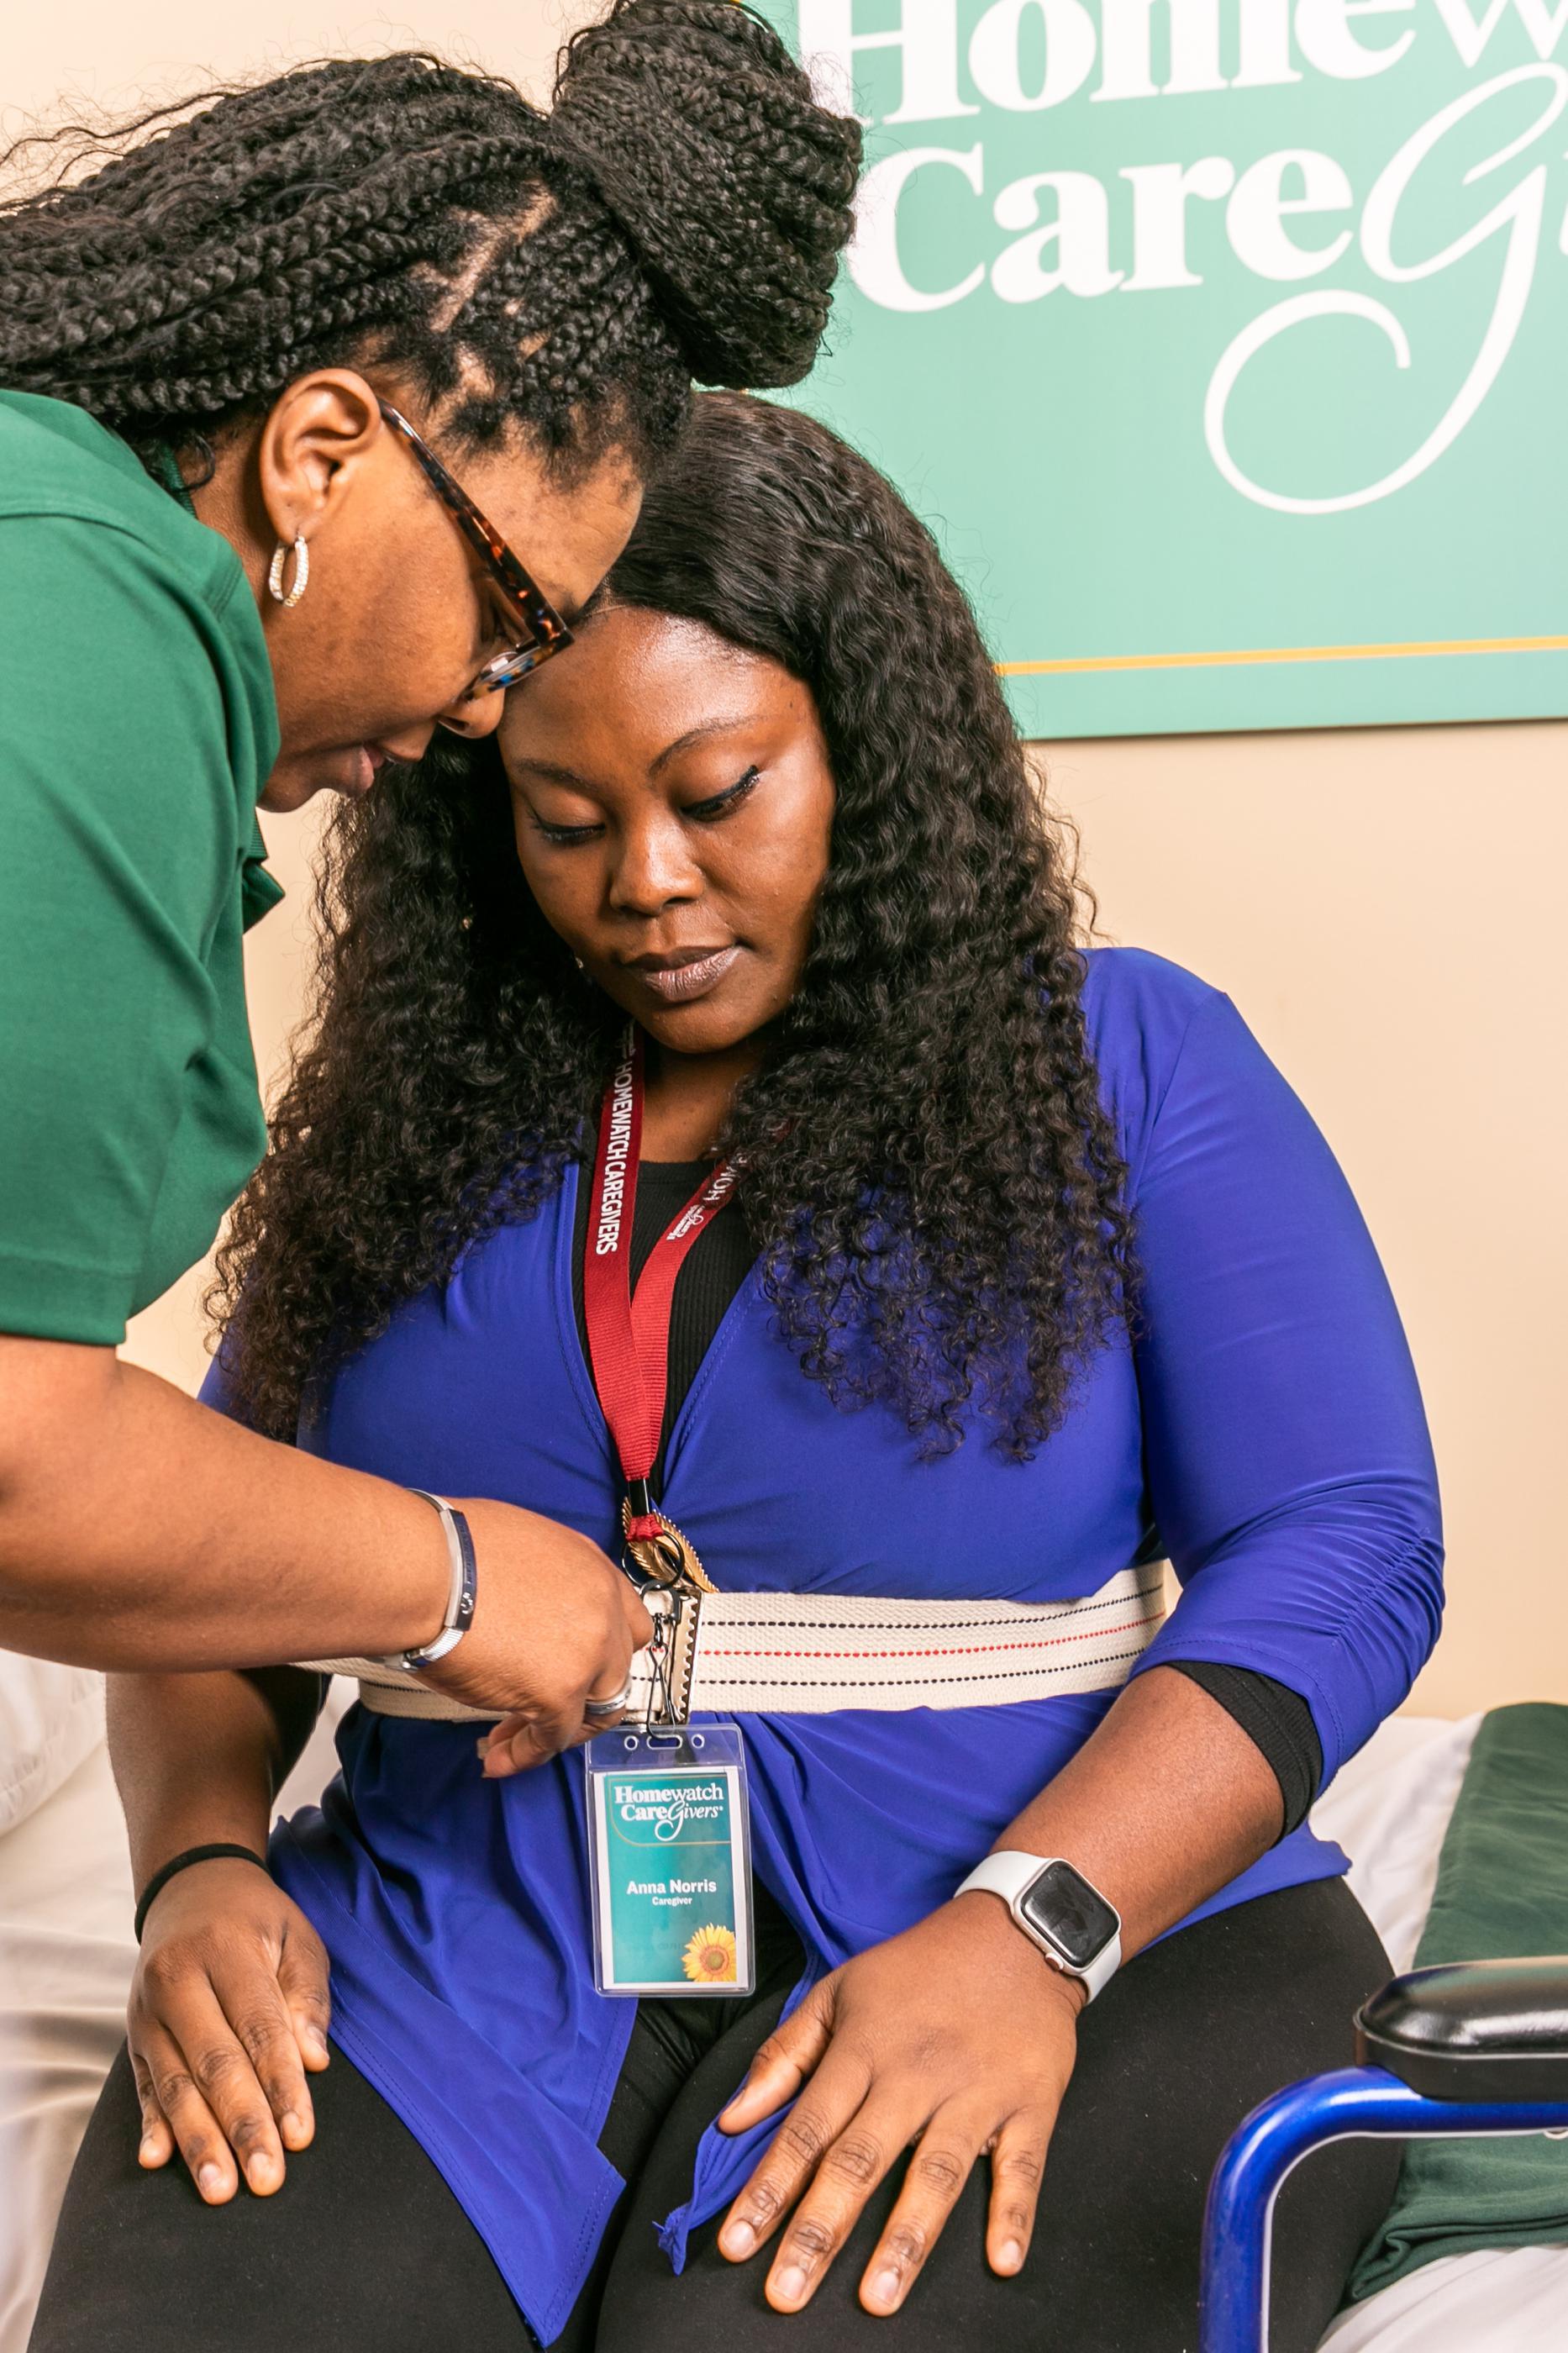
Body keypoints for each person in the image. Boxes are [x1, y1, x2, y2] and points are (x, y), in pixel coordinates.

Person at [31, 396, 1444, 2353]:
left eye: (722, 791)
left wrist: (1040, 1925)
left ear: (864, 750)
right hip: (467, 1932)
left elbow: (1349, 1540)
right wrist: (199, 1862)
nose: (649, 885)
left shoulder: (1125, 1057)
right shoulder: (409, 1128)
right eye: (567, 817)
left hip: (1081, 1918)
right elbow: (209, 1544)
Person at [0, 3, 859, 1732]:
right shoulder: (78, 637)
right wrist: (456, 1576)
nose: (481, 711)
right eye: (511, 620)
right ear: (322, 451)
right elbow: (17, 1459)